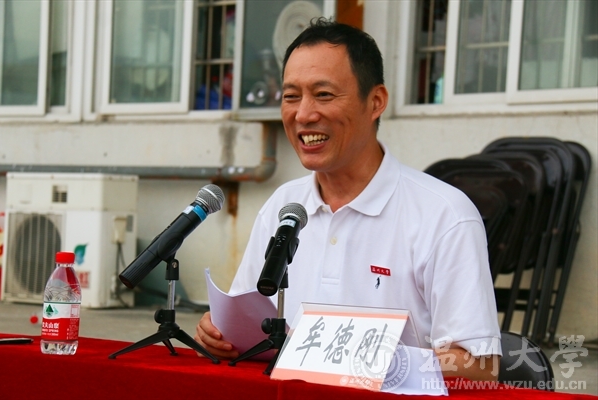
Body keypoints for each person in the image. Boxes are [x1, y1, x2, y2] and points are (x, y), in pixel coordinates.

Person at [195, 18, 501, 381]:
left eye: (324, 94)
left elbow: (480, 366)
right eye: (291, 96)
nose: (304, 114)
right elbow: (248, 320)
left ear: (375, 102)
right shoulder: (284, 205)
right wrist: (221, 334)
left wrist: (360, 360)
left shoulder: (444, 215)